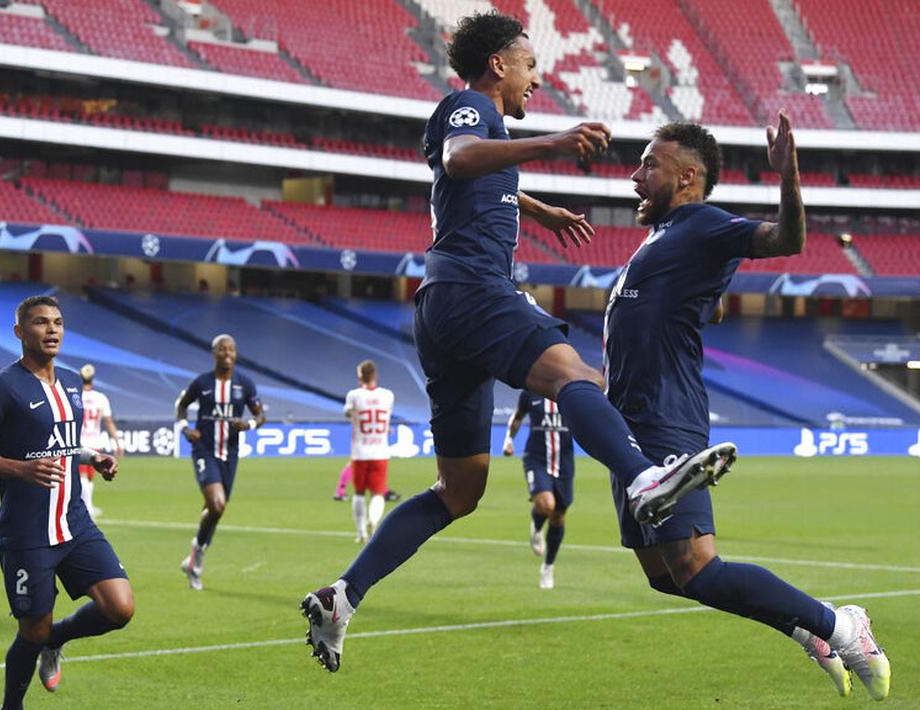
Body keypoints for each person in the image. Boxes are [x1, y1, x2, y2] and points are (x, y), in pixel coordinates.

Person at [302, 11, 734, 673]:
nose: (538, 78)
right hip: (474, 288)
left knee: (458, 490)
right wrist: (556, 143)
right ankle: (644, 478)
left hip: (443, 308)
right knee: (579, 380)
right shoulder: (471, 106)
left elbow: (470, 180)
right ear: (499, 65)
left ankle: (344, 593)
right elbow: (460, 159)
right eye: (531, 65)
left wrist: (537, 209)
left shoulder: (486, 127)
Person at [598, 118, 891, 699]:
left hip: (664, 416)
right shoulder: (662, 237)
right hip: (628, 426)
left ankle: (840, 624)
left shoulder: (702, 221)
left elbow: (786, 239)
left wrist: (790, 177)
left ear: (686, 178)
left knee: (699, 567)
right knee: (665, 578)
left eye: (648, 165)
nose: (635, 176)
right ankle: (809, 630)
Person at [0, 295, 134, 709]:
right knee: (32, 631)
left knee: (120, 608)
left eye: (57, 322)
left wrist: (93, 457)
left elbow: (64, 444)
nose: (52, 329)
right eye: (40, 323)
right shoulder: (2, 387)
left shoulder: (73, 382)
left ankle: (57, 640)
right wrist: (21, 469)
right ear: (20, 332)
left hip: (74, 523)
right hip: (27, 532)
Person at [174, 334, 265, 590]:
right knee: (217, 504)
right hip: (204, 449)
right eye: (222, 349)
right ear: (214, 353)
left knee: (214, 512)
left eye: (232, 349)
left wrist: (247, 424)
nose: (227, 353)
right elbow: (181, 406)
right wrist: (185, 429)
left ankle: (192, 560)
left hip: (230, 454)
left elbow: (260, 415)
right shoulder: (202, 383)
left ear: (235, 354)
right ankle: (197, 561)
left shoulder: (245, 384)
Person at [503, 390, 573, 589]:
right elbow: (517, 417)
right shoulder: (530, 393)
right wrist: (508, 440)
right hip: (536, 459)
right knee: (546, 505)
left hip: (565, 463)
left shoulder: (571, 392)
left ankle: (548, 566)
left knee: (559, 516)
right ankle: (536, 525)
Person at [344, 360, 395, 543]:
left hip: (360, 451)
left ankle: (360, 533)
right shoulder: (388, 395)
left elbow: (349, 413)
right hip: (381, 451)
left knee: (358, 493)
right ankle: (373, 522)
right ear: (375, 376)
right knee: (378, 493)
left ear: (360, 377)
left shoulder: (354, 395)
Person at [78, 363, 123, 517]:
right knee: (88, 479)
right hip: (94, 442)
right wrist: (116, 441)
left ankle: (87, 506)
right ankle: (88, 508)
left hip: (79, 442)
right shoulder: (100, 398)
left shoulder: (75, 395)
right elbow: (108, 421)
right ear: (92, 379)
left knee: (83, 478)